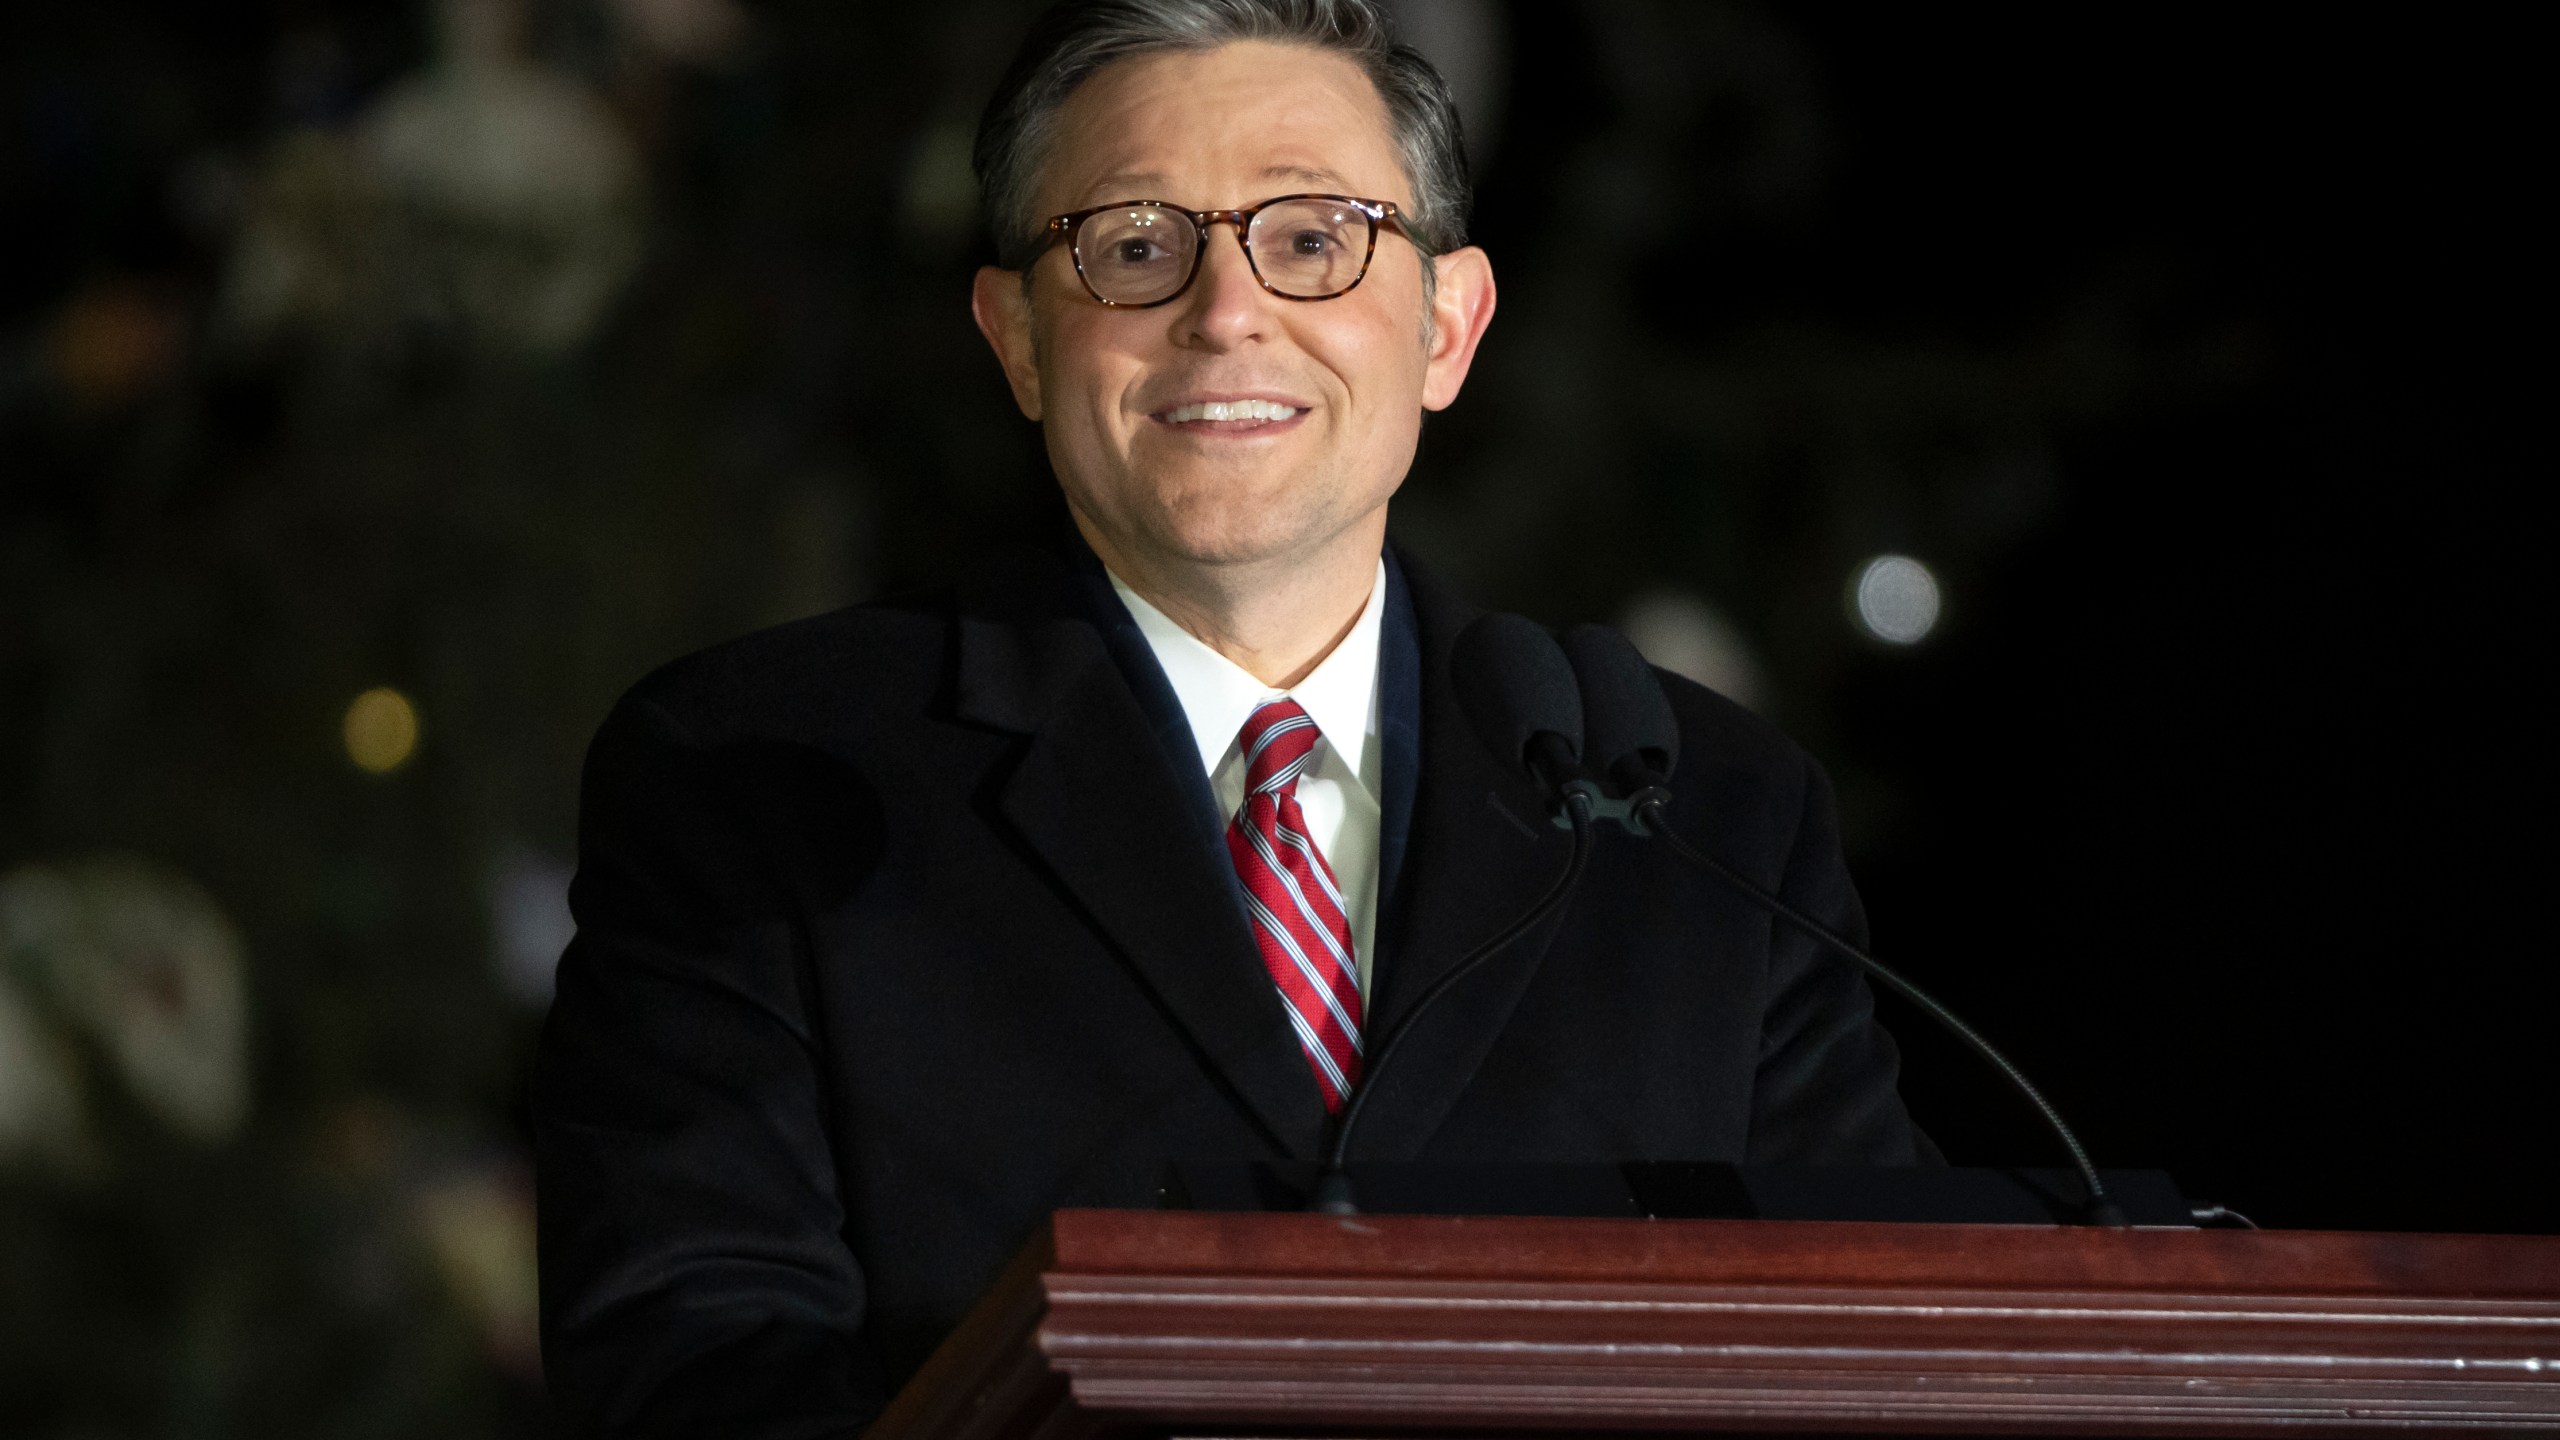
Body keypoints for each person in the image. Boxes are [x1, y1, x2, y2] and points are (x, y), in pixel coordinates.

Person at [531, 1, 1928, 1434]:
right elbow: (689, 1376)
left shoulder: (1705, 811)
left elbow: (1889, 1352)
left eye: (1313, 240)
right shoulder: (762, 774)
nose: (1227, 311)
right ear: (1016, 340)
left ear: (1448, 327)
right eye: (1135, 246)